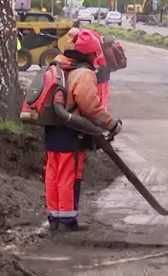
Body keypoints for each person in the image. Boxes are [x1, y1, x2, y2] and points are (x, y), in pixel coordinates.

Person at [44, 29, 121, 231]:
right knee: (69, 174)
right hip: (71, 131)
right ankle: (68, 220)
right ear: (91, 53)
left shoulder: (57, 65)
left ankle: (54, 216)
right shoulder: (83, 74)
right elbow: (90, 107)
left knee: (53, 172)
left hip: (52, 129)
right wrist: (112, 124)